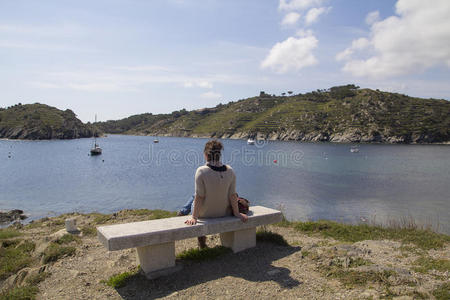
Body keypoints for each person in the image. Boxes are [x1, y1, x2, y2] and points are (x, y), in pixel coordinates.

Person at [184, 139, 248, 248]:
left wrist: (194, 218)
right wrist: (237, 213)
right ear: (219, 155)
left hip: (205, 214)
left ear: (205, 155)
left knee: (195, 196)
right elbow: (233, 195)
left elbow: (200, 197)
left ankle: (201, 240)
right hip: (224, 212)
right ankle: (182, 211)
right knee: (196, 196)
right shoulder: (230, 170)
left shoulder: (201, 171)